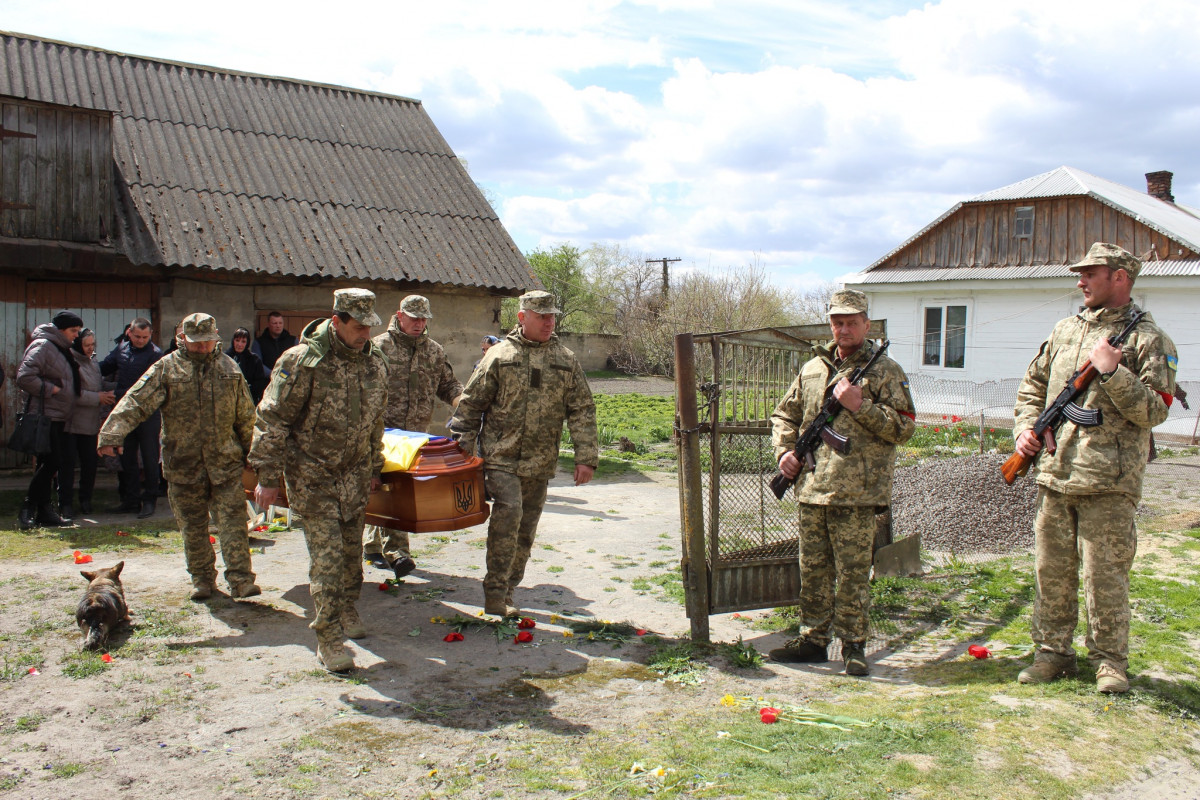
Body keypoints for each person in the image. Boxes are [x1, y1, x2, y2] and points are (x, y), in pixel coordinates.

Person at [1013, 243, 1177, 694]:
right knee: (1052, 571)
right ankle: (1052, 653)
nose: (1081, 281)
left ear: (1121, 277)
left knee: (1105, 575)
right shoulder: (1065, 330)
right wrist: (1026, 431)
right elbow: (1033, 388)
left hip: (1109, 481)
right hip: (1055, 471)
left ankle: (1109, 662)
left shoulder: (1149, 340)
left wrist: (1113, 373)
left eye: (1091, 273)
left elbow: (1155, 412)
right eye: (1080, 273)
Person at [767, 289, 915, 677]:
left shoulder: (886, 371)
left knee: (852, 573)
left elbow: (904, 428)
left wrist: (859, 405)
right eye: (837, 322)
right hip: (813, 489)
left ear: (866, 324)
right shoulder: (813, 369)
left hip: (859, 493)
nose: (844, 328)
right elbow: (784, 414)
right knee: (813, 569)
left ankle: (853, 645)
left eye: (852, 321)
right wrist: (784, 451)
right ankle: (813, 639)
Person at [248, 289, 388, 672]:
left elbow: (376, 421)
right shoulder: (302, 362)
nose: (365, 334)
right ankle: (329, 640)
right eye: (358, 327)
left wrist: (374, 466)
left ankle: (347, 608)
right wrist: (267, 474)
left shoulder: (374, 362)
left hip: (355, 474)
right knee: (326, 560)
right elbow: (273, 419)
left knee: (350, 554)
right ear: (336, 320)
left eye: (369, 327)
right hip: (313, 475)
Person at [449, 290, 598, 617]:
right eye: (541, 316)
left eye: (552, 316)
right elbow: (471, 404)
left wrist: (585, 457)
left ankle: (509, 589)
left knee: (526, 531)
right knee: (510, 515)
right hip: (501, 457)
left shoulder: (565, 359)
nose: (549, 322)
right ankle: (495, 592)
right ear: (522, 317)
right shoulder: (499, 356)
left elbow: (582, 409)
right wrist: (461, 450)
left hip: (540, 461)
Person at [98, 313, 260, 601]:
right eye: (195, 342)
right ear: (181, 339)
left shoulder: (229, 369)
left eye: (206, 342)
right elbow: (136, 401)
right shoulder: (166, 369)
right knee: (192, 525)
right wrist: (111, 434)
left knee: (233, 523)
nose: (201, 348)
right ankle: (202, 580)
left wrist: (254, 455)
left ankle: (241, 580)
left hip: (225, 464)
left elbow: (246, 416)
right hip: (184, 466)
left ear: (215, 338)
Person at [362, 295, 463, 578]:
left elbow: (448, 385)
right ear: (400, 316)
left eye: (424, 319)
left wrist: (464, 403)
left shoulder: (434, 351)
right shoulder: (379, 347)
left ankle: (372, 545)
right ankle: (398, 552)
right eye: (414, 318)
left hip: (416, 437)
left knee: (394, 489)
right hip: (384, 434)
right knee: (389, 489)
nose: (419, 324)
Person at [15, 310, 84, 529]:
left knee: (50, 463)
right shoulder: (44, 346)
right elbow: (24, 377)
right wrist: (50, 389)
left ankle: (44, 511)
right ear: (61, 329)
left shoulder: (59, 347)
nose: (76, 335)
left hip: (58, 415)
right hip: (45, 414)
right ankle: (28, 508)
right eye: (73, 331)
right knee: (52, 461)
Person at [100, 317, 163, 518]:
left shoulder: (156, 355)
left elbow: (154, 387)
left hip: (147, 414)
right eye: (137, 336)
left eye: (145, 337)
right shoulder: (122, 349)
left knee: (150, 457)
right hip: (125, 413)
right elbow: (104, 368)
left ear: (150, 335)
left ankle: (150, 499)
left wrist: (123, 394)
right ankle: (131, 499)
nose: (141, 340)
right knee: (127, 457)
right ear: (130, 333)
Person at [60, 329, 116, 518]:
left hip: (90, 423)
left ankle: (86, 500)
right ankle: (65, 503)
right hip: (72, 422)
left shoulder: (93, 362)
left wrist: (118, 389)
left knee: (89, 465)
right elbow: (71, 392)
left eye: (93, 345)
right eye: (86, 345)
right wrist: (98, 398)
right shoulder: (69, 362)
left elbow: (98, 384)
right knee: (67, 465)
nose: (90, 348)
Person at [227, 327, 268, 404]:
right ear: (233, 341)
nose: (239, 344)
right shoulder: (226, 358)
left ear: (247, 343)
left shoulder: (254, 360)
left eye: (243, 341)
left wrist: (246, 391)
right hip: (229, 400)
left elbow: (259, 382)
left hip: (248, 400)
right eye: (237, 340)